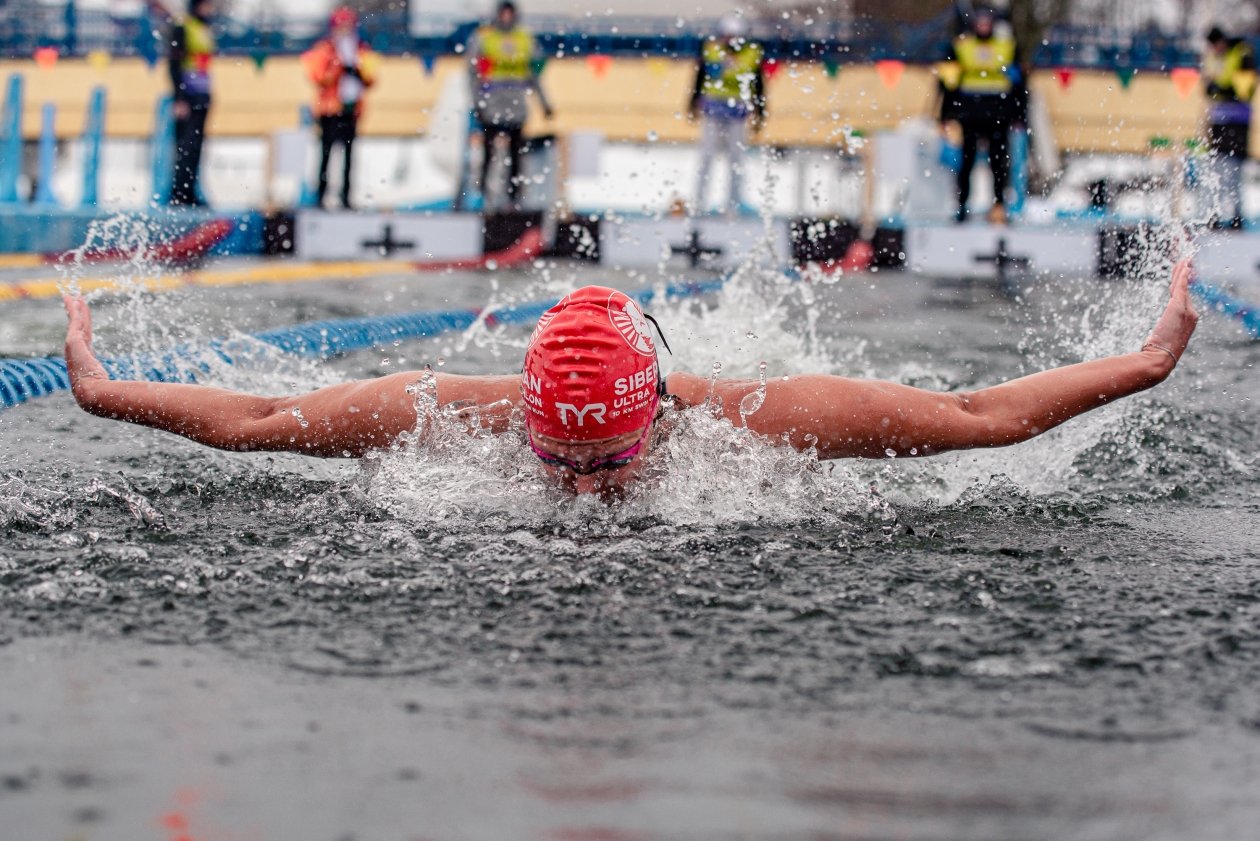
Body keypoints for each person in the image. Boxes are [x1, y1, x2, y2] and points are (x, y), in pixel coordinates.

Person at [63, 260, 1198, 498]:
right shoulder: (445, 412)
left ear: (655, 407)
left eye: (609, 462)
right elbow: (262, 420)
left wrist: (1145, 363)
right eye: (561, 461)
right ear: (529, 419)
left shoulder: (762, 421)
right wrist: (105, 393)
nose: (586, 488)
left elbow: (975, 416)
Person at [938, 7, 1025, 225]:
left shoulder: (1007, 47)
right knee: (966, 162)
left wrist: (1019, 114)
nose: (984, 25)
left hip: (998, 113)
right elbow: (949, 83)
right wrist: (945, 114)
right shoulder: (961, 47)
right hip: (970, 114)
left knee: (999, 163)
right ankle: (962, 206)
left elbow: (1020, 85)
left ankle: (998, 207)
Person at [466, 0, 553, 211]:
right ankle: (484, 196)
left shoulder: (524, 39)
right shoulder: (485, 38)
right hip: (492, 102)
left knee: (516, 152)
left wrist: (544, 103)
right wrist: (477, 101)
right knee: (489, 151)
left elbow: (535, 74)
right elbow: (473, 73)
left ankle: (514, 198)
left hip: (516, 103)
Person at [302, 7, 380, 210]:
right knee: (326, 154)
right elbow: (317, 76)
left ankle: (346, 197)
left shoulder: (361, 50)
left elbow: (372, 78)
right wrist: (338, 69)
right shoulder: (326, 49)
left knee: (349, 155)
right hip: (329, 110)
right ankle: (321, 196)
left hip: (351, 109)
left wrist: (357, 72)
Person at [689, 14, 765, 215]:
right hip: (713, 109)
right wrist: (692, 103)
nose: (728, 41)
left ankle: (734, 204)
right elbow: (700, 76)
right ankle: (698, 202)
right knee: (707, 157)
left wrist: (760, 111)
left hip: (737, 112)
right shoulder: (712, 49)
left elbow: (758, 83)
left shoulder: (751, 53)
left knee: (736, 159)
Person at [1203, 26, 1256, 230]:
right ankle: (1214, 215)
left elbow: (1244, 90)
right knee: (1216, 170)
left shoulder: (1241, 53)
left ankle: (1235, 217)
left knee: (1234, 172)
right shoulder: (1214, 57)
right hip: (1218, 120)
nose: (1216, 50)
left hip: (1238, 122)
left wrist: (1221, 90)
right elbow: (1209, 86)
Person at [167, 0, 216, 207]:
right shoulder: (183, 27)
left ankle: (190, 191)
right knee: (185, 146)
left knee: (196, 146)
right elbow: (175, 63)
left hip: (202, 94)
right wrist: (179, 97)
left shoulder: (203, 28)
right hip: (188, 95)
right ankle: (179, 193)